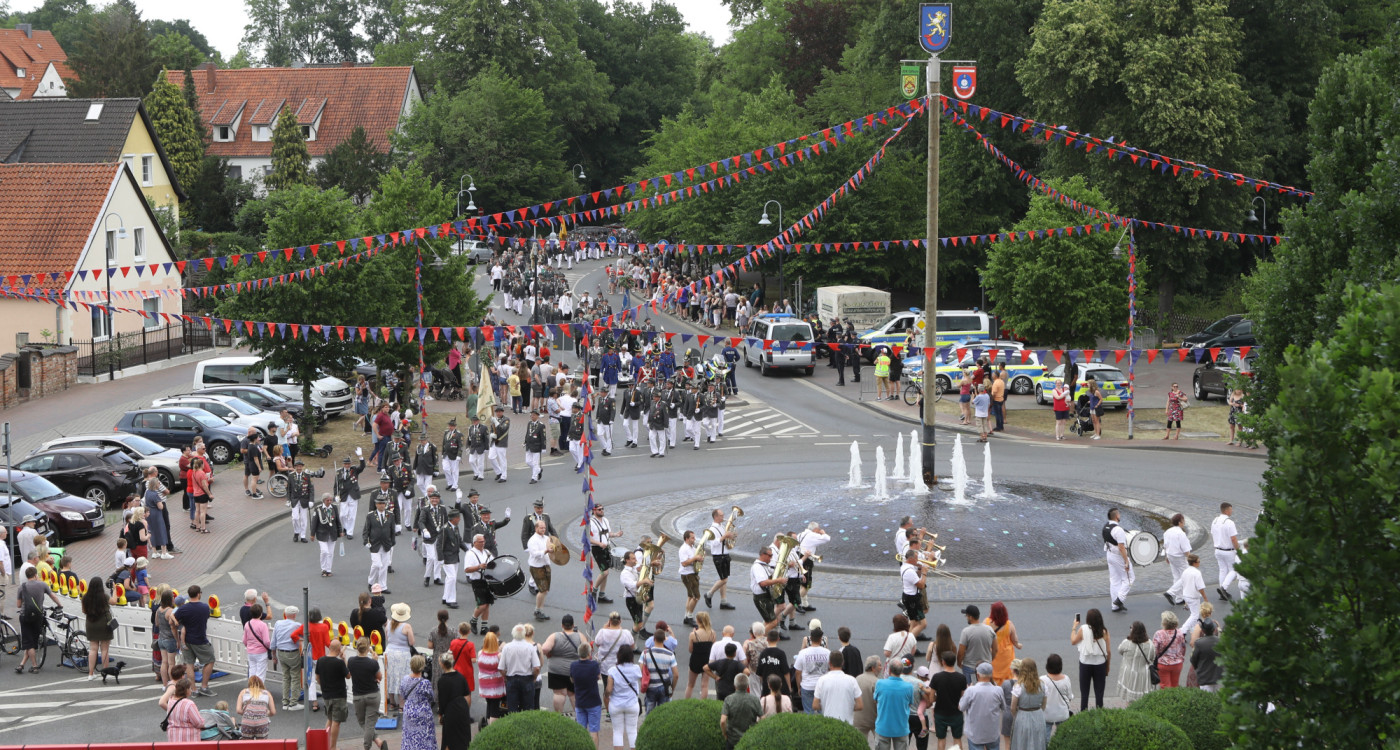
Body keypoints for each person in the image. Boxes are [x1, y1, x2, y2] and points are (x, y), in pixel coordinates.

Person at [14, 566, 60, 674]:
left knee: (29, 643)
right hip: (38, 616)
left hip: (25, 616)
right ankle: (22, 665)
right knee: (32, 642)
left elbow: (18, 605)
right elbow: (53, 596)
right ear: (35, 575)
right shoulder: (42, 584)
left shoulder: (22, 587)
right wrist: (60, 605)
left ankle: (34, 667)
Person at [175, 585, 216, 695]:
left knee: (189, 664)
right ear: (198, 594)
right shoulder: (204, 607)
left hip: (186, 640)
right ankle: (204, 687)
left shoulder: (183, 608)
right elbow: (207, 616)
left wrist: (176, 624)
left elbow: (173, 619)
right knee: (210, 660)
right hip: (200, 639)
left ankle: (193, 689)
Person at [542, 613, 586, 713]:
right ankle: (579, 718)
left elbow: (544, 648)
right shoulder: (580, 636)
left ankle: (558, 717)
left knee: (559, 694)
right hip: (574, 669)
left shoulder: (555, 636)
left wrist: (549, 654)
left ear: (562, 625)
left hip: (556, 670)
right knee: (573, 694)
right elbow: (586, 650)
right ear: (573, 625)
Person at [347, 637, 386, 750]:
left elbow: (350, 672)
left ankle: (369, 745)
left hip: (358, 696)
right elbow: (379, 677)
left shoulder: (351, 661)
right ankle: (375, 741)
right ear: (368, 648)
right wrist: (375, 660)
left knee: (362, 722)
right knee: (369, 723)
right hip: (373, 695)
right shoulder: (372, 663)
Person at [605, 644, 644, 750]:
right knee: (632, 731)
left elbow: (609, 689)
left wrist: (607, 696)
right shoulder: (636, 669)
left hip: (616, 704)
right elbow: (641, 678)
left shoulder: (613, 670)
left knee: (617, 731)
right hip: (632, 704)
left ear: (619, 656)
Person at [959, 662, 1005, 750]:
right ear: (991, 675)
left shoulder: (971, 690)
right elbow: (1003, 707)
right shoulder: (998, 690)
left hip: (975, 733)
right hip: (992, 733)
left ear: (978, 675)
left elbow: (961, 707)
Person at [874, 659, 919, 750]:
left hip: (883, 726)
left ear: (889, 670)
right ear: (901, 671)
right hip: (901, 727)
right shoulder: (908, 687)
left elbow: (876, 700)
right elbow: (910, 704)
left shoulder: (880, 683)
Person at [1070, 609, 1109, 711]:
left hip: (1085, 664)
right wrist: (1107, 667)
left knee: (1084, 693)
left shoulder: (1083, 629)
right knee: (1099, 694)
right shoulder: (1104, 631)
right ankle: (1099, 714)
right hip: (1100, 664)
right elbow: (1108, 651)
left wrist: (1074, 627)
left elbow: (1073, 641)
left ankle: (1084, 714)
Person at [928, 651, 967, 750]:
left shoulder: (937, 677)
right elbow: (963, 698)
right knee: (957, 739)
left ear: (943, 662)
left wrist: (939, 697)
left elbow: (931, 698)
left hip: (940, 713)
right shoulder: (961, 678)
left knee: (941, 739)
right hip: (956, 713)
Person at [80, 575, 117, 680]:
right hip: (104, 624)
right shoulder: (104, 597)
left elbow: (84, 611)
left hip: (91, 624)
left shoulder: (85, 597)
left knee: (93, 649)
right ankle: (105, 672)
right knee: (104, 649)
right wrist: (115, 589)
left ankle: (90, 674)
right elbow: (114, 601)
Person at [813, 649, 863, 724]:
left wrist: (824, 705)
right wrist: (848, 706)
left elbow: (815, 705)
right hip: (847, 723)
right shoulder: (852, 680)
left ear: (829, 663)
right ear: (842, 663)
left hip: (828, 722)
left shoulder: (822, 680)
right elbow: (860, 705)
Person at [501, 623, 542, 713]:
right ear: (524, 634)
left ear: (513, 633)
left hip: (511, 679)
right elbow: (537, 667)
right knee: (528, 709)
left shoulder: (507, 647)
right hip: (527, 679)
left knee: (512, 709)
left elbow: (501, 667)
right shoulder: (530, 647)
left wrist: (505, 677)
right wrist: (534, 677)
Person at [703, 508, 739, 612]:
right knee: (724, 579)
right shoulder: (712, 529)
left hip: (725, 554)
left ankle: (723, 601)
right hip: (719, 556)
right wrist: (724, 537)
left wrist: (732, 536)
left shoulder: (722, 526)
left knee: (724, 578)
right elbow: (712, 543)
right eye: (721, 515)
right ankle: (709, 594)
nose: (724, 517)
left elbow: (726, 538)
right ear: (716, 517)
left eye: (723, 515)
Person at [639, 620, 679, 711]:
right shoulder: (670, 654)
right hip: (664, 685)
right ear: (665, 638)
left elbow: (640, 670)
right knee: (663, 712)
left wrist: (644, 682)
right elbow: (676, 675)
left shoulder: (646, 652)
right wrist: (672, 688)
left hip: (651, 685)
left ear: (654, 639)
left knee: (649, 712)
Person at [399, 654, 436, 750]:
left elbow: (402, 694)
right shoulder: (425, 683)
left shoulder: (405, 679)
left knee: (409, 737)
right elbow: (431, 697)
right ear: (422, 667)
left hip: (409, 712)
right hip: (423, 714)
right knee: (425, 738)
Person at [1009, 658, 1047, 750]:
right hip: (1038, 715)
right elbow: (1043, 705)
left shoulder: (1018, 686)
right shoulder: (1042, 685)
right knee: (1038, 742)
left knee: (1022, 743)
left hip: (1022, 715)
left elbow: (1013, 707)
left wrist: (1017, 715)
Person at [272, 605, 305, 709]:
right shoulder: (297, 625)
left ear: (285, 614)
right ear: (294, 615)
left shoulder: (278, 623)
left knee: (286, 677)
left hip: (281, 652)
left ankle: (285, 701)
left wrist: (274, 655)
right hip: (292, 652)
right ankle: (293, 702)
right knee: (295, 677)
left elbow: (273, 641)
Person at [437, 652, 471, 750]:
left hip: (451, 711)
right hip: (463, 709)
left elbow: (442, 701)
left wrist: (440, 715)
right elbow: (467, 695)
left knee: (449, 739)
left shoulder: (442, 680)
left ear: (443, 664)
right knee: (463, 738)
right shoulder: (460, 677)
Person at [385, 603, 415, 712]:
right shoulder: (406, 626)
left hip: (390, 652)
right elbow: (411, 642)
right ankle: (402, 704)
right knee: (402, 678)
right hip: (402, 654)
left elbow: (387, 637)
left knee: (391, 676)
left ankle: (392, 702)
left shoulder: (388, 624)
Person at [571, 642, 604, 742]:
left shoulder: (574, 665)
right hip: (593, 702)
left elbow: (572, 679)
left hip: (580, 702)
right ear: (589, 654)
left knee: (581, 731)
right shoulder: (593, 665)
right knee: (594, 731)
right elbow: (598, 676)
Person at [720, 674, 763, 750]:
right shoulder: (755, 700)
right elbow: (763, 718)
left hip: (732, 739)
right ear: (747, 686)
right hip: (749, 738)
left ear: (735, 685)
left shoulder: (729, 699)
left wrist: (725, 733)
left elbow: (723, 721)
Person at [985, 602, 1023, 686]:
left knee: (993, 676)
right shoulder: (1009, 625)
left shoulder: (986, 622)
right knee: (1007, 677)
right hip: (1006, 657)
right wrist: (1018, 645)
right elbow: (1015, 641)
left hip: (992, 655)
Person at [794, 628, 831, 713]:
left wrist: (799, 687)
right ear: (821, 639)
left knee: (808, 712)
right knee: (823, 712)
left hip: (807, 686)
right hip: (823, 686)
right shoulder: (827, 652)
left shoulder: (803, 653)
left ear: (810, 639)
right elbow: (830, 669)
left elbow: (797, 672)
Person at [957, 605, 997, 684]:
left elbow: (961, 652)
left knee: (973, 689)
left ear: (971, 617)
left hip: (971, 668)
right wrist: (989, 660)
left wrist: (959, 663)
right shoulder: (989, 629)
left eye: (967, 616)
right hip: (986, 667)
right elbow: (995, 649)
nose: (966, 618)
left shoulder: (966, 632)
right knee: (986, 689)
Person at [1103, 508, 1133, 612]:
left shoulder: (1106, 526)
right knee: (1129, 579)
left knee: (1114, 580)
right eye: (1119, 514)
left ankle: (1114, 606)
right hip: (1118, 556)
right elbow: (1121, 547)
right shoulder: (1118, 529)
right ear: (1117, 516)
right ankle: (1119, 600)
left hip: (1109, 555)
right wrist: (1126, 561)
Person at [1117, 621, 1153, 702]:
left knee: (1129, 700)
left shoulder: (1127, 643)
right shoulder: (1150, 644)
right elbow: (1152, 657)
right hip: (1144, 675)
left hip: (1130, 673)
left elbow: (1120, 650)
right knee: (1143, 699)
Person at [1211, 502, 1241, 602]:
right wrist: (1238, 550)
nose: (1232, 511)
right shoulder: (1229, 523)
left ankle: (1223, 591)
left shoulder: (1214, 521)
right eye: (1231, 509)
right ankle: (1223, 588)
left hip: (1218, 550)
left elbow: (1213, 533)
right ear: (1227, 510)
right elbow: (1233, 539)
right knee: (1234, 570)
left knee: (1222, 570)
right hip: (1228, 551)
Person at [526, 520, 555, 622]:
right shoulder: (532, 540)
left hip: (546, 565)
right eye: (541, 528)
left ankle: (540, 610)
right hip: (537, 567)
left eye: (544, 528)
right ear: (536, 528)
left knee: (545, 590)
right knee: (542, 590)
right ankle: (537, 610)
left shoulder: (547, 538)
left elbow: (552, 548)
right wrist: (546, 551)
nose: (543, 529)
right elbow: (535, 554)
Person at [476, 631, 507, 724]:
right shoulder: (499, 656)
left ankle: (488, 722)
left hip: (484, 684)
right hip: (495, 685)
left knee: (489, 704)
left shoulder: (480, 653)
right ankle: (492, 728)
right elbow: (503, 668)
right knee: (495, 709)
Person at [1161, 514, 1190, 606]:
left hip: (1170, 555)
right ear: (1180, 522)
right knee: (1186, 575)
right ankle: (1171, 592)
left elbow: (1165, 545)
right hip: (1179, 557)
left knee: (1177, 576)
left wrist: (1166, 556)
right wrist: (1190, 559)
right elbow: (1186, 549)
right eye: (1183, 520)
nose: (1184, 522)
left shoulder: (1167, 532)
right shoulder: (1181, 533)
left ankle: (1179, 598)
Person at [1179, 553, 1208, 636]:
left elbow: (1183, 584)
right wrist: (1205, 598)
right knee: (1195, 615)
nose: (1199, 562)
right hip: (1193, 597)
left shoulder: (1185, 571)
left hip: (1186, 595)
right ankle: (1183, 631)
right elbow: (1200, 587)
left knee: (1193, 613)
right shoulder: (1197, 573)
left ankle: (1194, 630)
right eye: (1198, 561)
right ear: (1194, 563)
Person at [1190, 621, 1222, 692]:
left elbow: (1193, 659)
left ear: (1203, 630)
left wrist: (1198, 668)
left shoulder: (1199, 643)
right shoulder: (1220, 641)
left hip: (1205, 677)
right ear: (1214, 629)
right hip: (1218, 677)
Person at [243, 603, 272, 680]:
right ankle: (259, 691)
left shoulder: (247, 624)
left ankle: (251, 690)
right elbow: (266, 641)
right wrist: (270, 648)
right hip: (261, 652)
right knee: (260, 674)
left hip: (250, 652)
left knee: (252, 672)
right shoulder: (263, 625)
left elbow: (244, 640)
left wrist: (249, 646)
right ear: (261, 614)